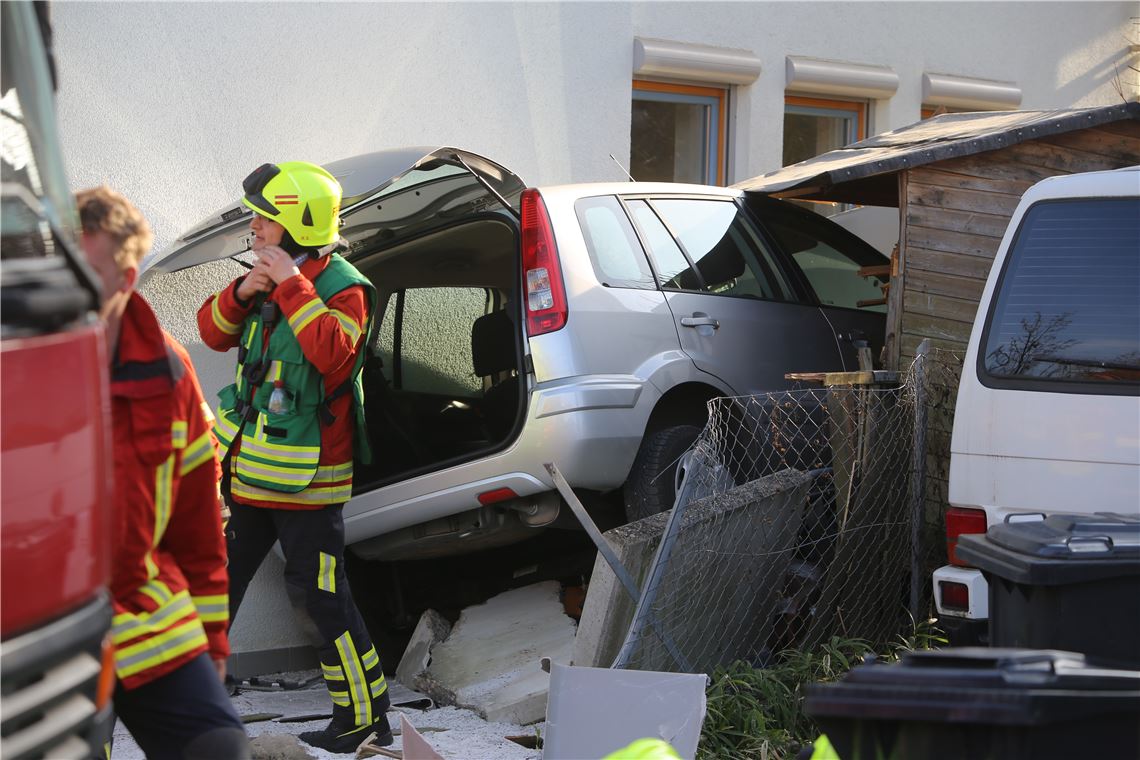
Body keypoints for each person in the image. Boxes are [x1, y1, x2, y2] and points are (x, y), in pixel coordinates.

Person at [197, 161, 389, 753]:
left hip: (310, 478)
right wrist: (241, 290)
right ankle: (191, 705)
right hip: (252, 470)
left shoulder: (344, 286)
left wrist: (289, 285)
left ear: (296, 225)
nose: (254, 226)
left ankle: (363, 713)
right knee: (216, 584)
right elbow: (211, 333)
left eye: (266, 217)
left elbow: (334, 354)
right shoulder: (261, 275)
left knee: (323, 596)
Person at [77, 186, 249, 760]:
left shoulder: (166, 367)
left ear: (126, 282)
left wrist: (213, 639)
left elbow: (199, 523)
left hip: (147, 618)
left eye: (90, 272)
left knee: (221, 748)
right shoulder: (21, 358)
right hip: (51, 631)